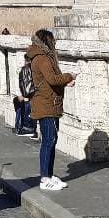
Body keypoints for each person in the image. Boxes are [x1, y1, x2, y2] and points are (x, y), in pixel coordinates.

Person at [28, 29, 75, 191]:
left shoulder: (39, 56)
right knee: (48, 141)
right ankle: (44, 178)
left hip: (48, 102)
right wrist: (70, 76)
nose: (54, 43)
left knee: (51, 140)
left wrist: (64, 82)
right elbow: (52, 79)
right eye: (52, 40)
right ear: (47, 41)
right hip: (46, 104)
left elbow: (49, 80)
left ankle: (49, 174)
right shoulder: (42, 58)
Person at [13, 54, 37, 136]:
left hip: (26, 94)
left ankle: (21, 127)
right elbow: (20, 81)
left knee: (23, 111)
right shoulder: (25, 69)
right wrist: (20, 94)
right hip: (26, 95)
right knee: (23, 110)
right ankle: (23, 127)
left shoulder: (27, 69)